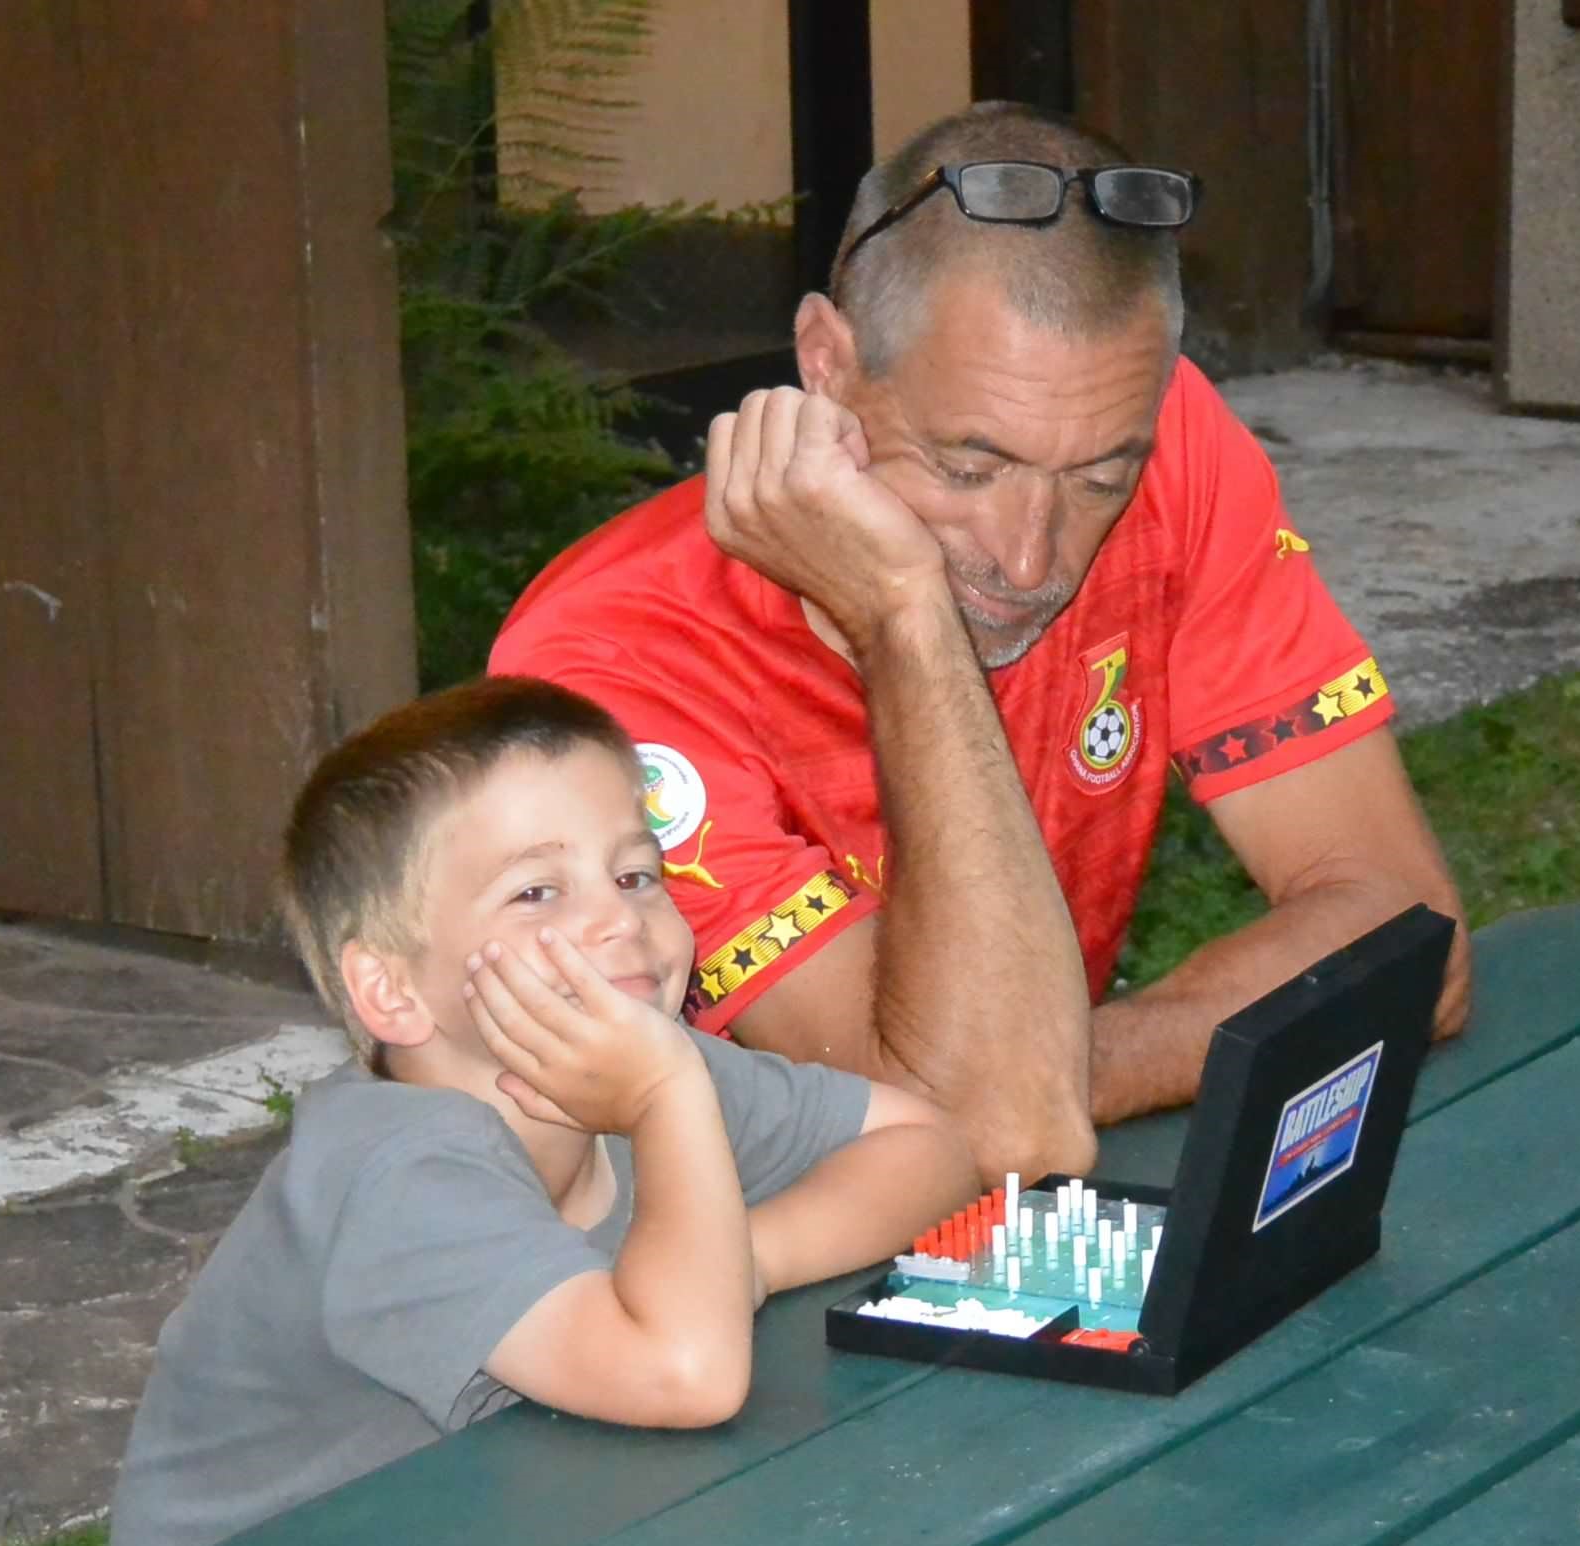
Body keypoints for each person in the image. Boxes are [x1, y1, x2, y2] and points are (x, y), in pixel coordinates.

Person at [488, 103, 1471, 1186]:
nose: (1028, 555)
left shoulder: (1156, 437)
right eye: (967, 469)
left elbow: (1411, 943)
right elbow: (991, 1126)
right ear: (826, 361)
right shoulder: (613, 660)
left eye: (1099, 480)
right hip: (672, 1255)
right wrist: (903, 613)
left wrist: (1052, 1063)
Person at [108, 677, 977, 1546]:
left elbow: (926, 1146)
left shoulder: (638, 1068)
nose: (619, 919)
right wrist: (665, 1104)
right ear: (394, 989)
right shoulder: (400, 1175)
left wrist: (743, 1258)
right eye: (536, 892)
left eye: (635, 874)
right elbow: (687, 1376)